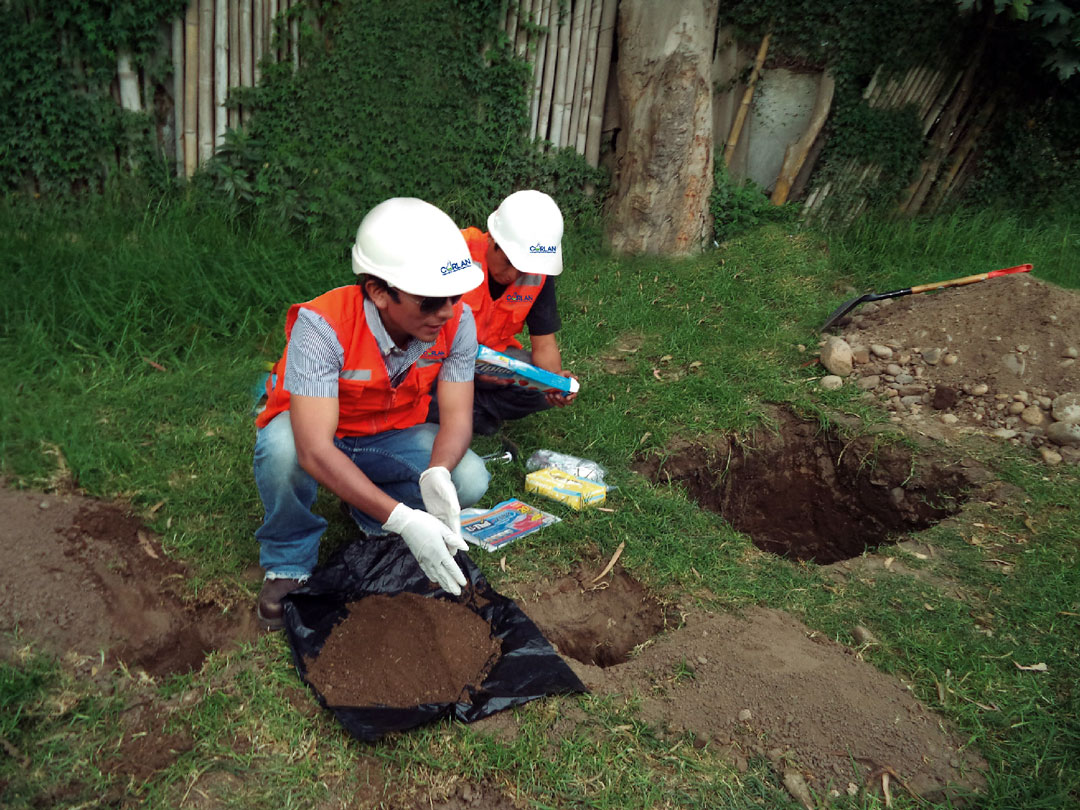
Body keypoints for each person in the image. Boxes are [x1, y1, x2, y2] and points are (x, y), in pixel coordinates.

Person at [252, 198, 490, 630]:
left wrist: (438, 471)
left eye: (455, 297)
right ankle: (288, 560)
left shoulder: (458, 323)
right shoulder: (322, 325)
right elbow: (314, 450)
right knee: (282, 449)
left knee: (469, 477)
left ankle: (367, 513)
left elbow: (456, 420)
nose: (447, 312)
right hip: (318, 435)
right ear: (379, 292)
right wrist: (404, 519)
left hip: (386, 439)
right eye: (431, 301)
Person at [430, 189, 576, 435]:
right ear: (492, 240)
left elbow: (545, 346)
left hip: (492, 362)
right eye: (510, 263)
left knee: (540, 389)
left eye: (523, 269)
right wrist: (469, 369)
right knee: (413, 383)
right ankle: (463, 411)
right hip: (438, 359)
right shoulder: (455, 252)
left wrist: (554, 383)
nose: (513, 276)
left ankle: (462, 410)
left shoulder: (538, 272)